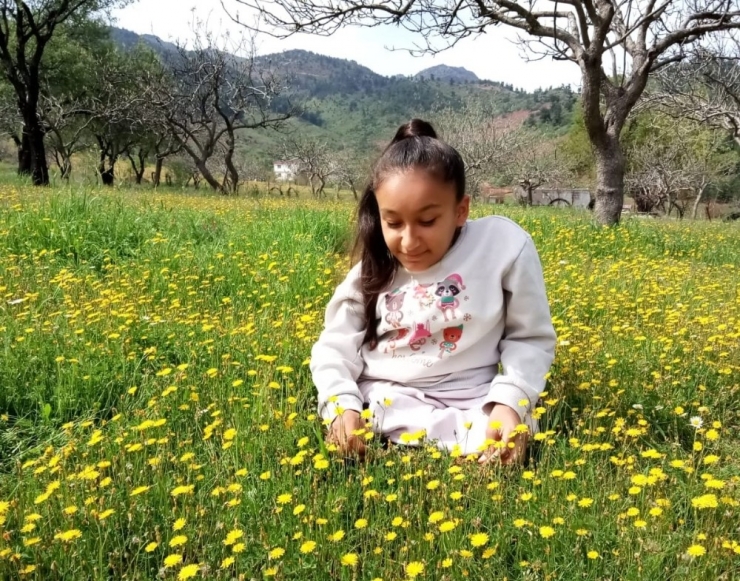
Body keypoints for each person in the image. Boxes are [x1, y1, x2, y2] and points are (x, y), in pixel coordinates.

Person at [310, 119, 557, 465]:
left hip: (471, 398)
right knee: (370, 411)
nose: (409, 242)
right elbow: (334, 348)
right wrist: (341, 407)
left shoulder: (502, 247)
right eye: (392, 223)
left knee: (508, 426)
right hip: (385, 395)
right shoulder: (373, 269)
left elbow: (530, 338)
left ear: (461, 210)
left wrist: (509, 402)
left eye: (427, 222)